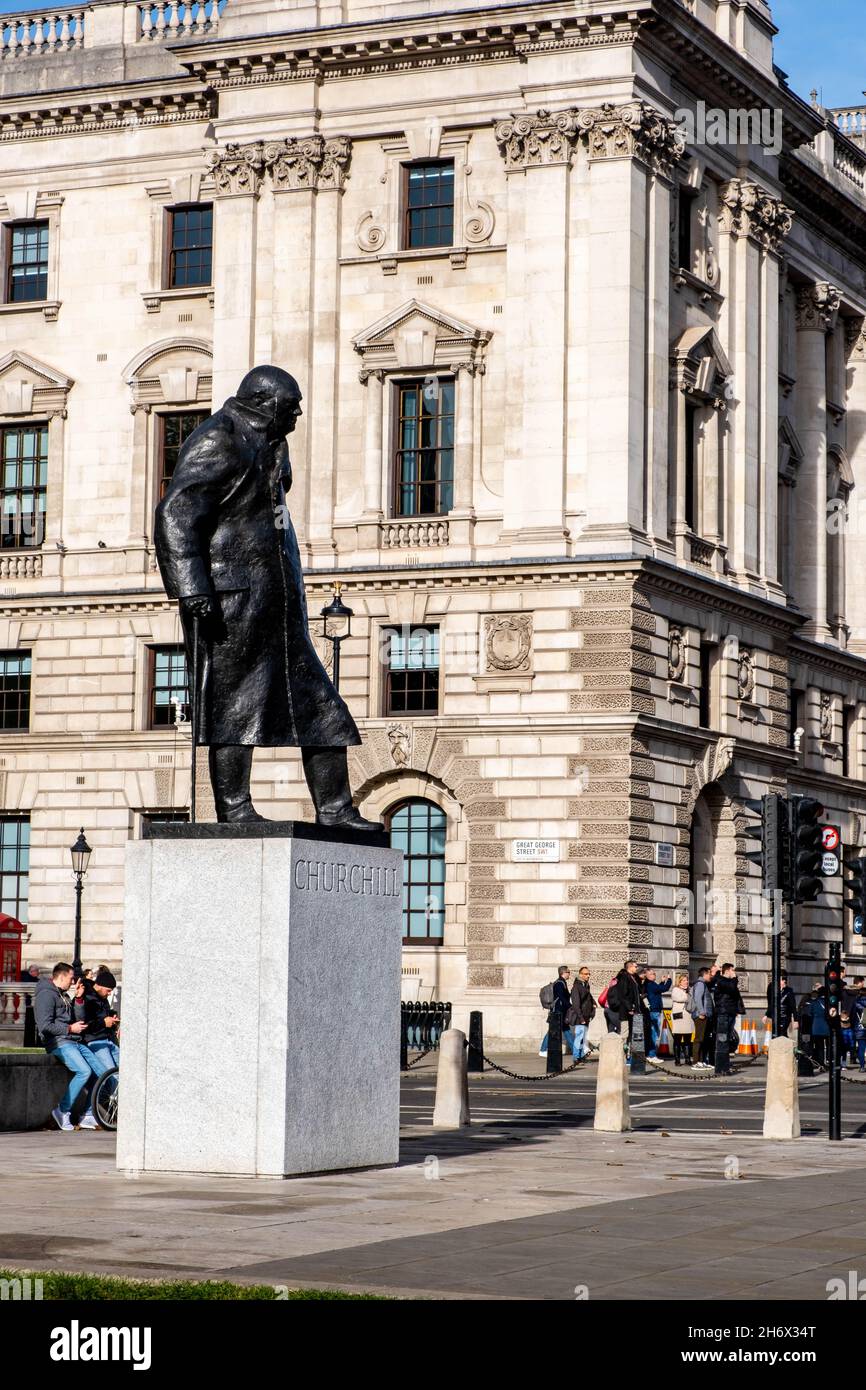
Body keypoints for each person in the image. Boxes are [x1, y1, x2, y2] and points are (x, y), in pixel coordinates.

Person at [154, 365, 379, 832]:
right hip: (230, 601)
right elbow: (176, 512)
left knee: (323, 708)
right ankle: (233, 808)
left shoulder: (271, 440)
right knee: (233, 708)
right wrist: (193, 588)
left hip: (276, 606)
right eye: (290, 404)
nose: (298, 412)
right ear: (263, 401)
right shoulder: (220, 439)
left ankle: (334, 808)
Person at [34, 963, 111, 1132]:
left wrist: (79, 999)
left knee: (102, 1075)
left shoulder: (63, 995)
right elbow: (44, 1025)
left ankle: (87, 1115)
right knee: (84, 1071)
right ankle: (62, 1110)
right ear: (61, 977)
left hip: (74, 1040)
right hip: (59, 1042)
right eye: (71, 978)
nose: (73, 981)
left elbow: (78, 1019)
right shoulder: (46, 994)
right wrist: (69, 1028)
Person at [80, 968, 120, 1069]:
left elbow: (103, 1014)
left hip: (106, 1038)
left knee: (124, 1069)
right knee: (111, 1074)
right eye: (108, 990)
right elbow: (84, 1023)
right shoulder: (87, 997)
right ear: (99, 986)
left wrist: (112, 1016)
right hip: (94, 1040)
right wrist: (103, 1023)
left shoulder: (102, 997)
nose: (109, 993)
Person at [713, 963, 744, 1077]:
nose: (734, 972)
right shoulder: (722, 981)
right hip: (723, 1014)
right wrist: (735, 978)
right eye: (732, 970)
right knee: (722, 1040)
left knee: (726, 1041)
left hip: (729, 1013)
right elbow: (731, 988)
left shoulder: (725, 981)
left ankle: (724, 1067)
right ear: (728, 971)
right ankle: (721, 1068)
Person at [539, 966, 576, 1058]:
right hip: (558, 1012)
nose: (569, 974)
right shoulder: (559, 983)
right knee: (552, 1031)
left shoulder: (562, 982)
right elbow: (562, 998)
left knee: (566, 1031)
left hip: (561, 1012)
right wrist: (570, 1006)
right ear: (563, 973)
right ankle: (543, 1050)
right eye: (568, 972)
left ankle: (576, 1052)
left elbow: (564, 996)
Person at [567, 965, 596, 1059]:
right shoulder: (576, 987)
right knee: (579, 1036)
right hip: (581, 1017)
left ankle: (581, 1056)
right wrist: (581, 1018)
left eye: (589, 974)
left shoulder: (586, 985)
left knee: (583, 1037)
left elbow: (588, 997)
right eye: (586, 974)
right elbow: (576, 1004)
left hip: (586, 1015)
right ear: (580, 975)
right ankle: (576, 1056)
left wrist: (594, 1003)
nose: (588, 976)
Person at [614, 960, 643, 1051]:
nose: (636, 968)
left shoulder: (634, 977)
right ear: (630, 967)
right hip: (627, 1011)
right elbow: (623, 995)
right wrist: (629, 1008)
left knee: (637, 1033)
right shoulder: (624, 977)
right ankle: (623, 1054)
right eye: (635, 966)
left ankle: (636, 1055)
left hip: (636, 1010)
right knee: (625, 1033)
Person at [642, 968, 672, 1058]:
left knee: (652, 1033)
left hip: (653, 1010)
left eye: (654, 973)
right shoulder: (650, 984)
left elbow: (658, 990)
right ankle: (652, 1055)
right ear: (646, 976)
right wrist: (669, 980)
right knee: (654, 1034)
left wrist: (662, 982)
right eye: (651, 974)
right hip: (654, 1011)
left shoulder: (650, 984)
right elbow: (664, 989)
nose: (654, 975)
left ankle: (650, 1054)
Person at [689, 967, 714, 1070]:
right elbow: (697, 998)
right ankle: (696, 1062)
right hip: (701, 1016)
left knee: (703, 1039)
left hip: (704, 1015)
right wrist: (702, 1012)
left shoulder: (703, 984)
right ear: (705, 974)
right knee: (699, 1039)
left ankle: (701, 1061)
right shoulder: (700, 984)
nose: (711, 976)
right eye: (709, 974)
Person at [669, 974, 693, 1065]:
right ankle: (677, 1060)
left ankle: (687, 1059)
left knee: (687, 1038)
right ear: (679, 982)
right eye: (683, 980)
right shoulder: (676, 990)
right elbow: (679, 998)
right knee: (677, 1039)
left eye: (686, 980)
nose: (686, 982)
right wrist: (687, 995)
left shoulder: (689, 990)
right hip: (679, 1016)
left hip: (687, 1016)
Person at [809, 983, 830, 1067]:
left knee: (819, 1047)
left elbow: (810, 1013)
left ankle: (820, 1063)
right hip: (827, 1026)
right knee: (829, 1045)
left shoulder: (814, 1002)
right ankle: (829, 1060)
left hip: (816, 1027)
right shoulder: (830, 1002)